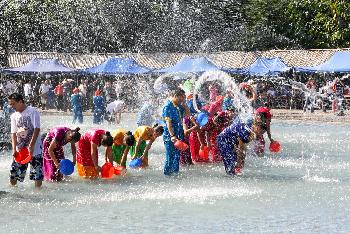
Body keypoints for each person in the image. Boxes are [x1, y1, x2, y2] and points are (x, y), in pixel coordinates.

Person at [8, 93, 43, 188]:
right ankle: (14, 193)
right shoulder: (14, 116)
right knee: (13, 174)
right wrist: (14, 149)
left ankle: (38, 194)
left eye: (13, 104)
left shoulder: (32, 111)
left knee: (37, 175)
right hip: (20, 150)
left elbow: (37, 129)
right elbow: (13, 133)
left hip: (35, 149)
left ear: (20, 101)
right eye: (10, 104)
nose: (12, 106)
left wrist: (31, 145)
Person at [162, 88, 190, 175]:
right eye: (181, 97)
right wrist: (172, 136)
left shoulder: (179, 107)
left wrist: (186, 107)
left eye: (184, 98)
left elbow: (187, 117)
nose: (183, 99)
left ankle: (175, 174)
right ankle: (167, 174)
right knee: (170, 156)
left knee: (177, 156)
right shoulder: (168, 107)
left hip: (179, 135)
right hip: (170, 137)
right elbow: (168, 123)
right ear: (176, 96)